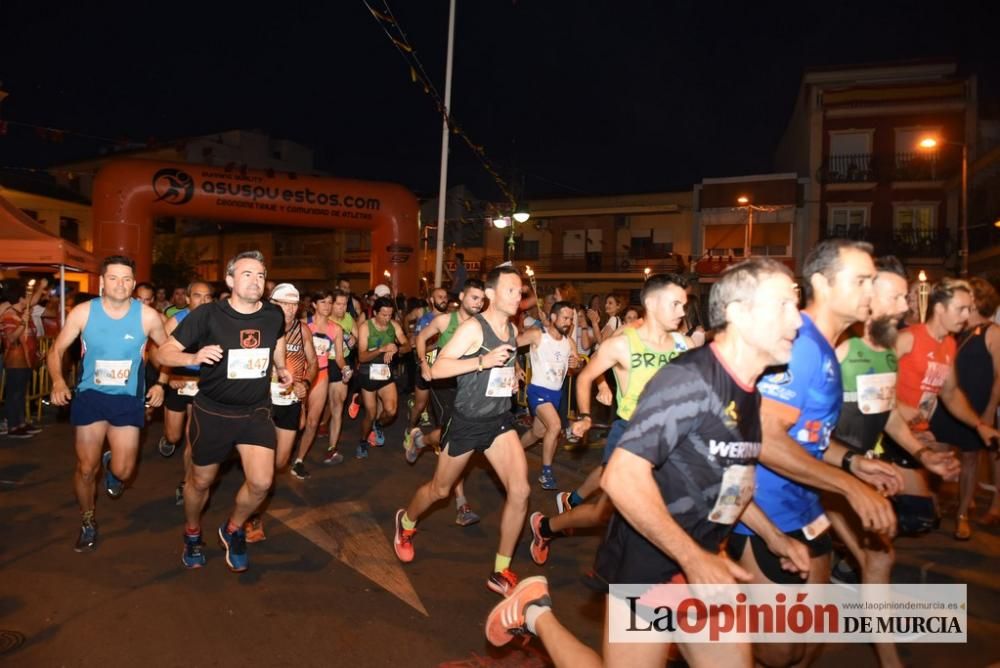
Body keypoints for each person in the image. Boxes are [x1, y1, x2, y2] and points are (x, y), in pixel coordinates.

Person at [485, 258, 811, 666]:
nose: (797, 321)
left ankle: (548, 538)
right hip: (652, 558)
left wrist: (772, 536)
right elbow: (621, 477)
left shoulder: (747, 390)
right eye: (782, 305)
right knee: (604, 510)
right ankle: (535, 611)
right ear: (739, 313)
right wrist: (691, 557)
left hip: (704, 564)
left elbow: (731, 481)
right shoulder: (689, 379)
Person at [726, 239, 902, 668]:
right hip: (762, 512)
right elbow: (764, 437)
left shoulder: (824, 348)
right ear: (821, 282)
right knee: (778, 651)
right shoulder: (801, 345)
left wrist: (851, 461)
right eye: (861, 280)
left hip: (808, 510)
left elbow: (806, 436)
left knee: (804, 644)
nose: (870, 291)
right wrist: (851, 488)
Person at [828, 256, 960, 668]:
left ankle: (887, 657)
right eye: (897, 296)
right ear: (869, 299)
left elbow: (884, 413)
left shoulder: (884, 353)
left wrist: (923, 453)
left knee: (879, 558)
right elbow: (803, 428)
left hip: (858, 468)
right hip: (824, 474)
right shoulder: (841, 350)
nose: (907, 305)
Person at [531, 274, 694, 559]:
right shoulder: (623, 343)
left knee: (664, 509)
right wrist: (584, 415)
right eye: (676, 304)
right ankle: (547, 527)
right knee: (605, 513)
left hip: (671, 439)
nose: (682, 311)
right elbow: (586, 377)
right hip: (631, 434)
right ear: (653, 303)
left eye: (684, 304)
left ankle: (564, 516)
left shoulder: (684, 344)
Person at [393, 266, 530, 596]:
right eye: (512, 290)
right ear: (493, 294)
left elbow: (503, 364)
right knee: (440, 491)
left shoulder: (511, 329)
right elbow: (439, 367)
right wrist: (483, 363)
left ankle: (501, 570)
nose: (518, 296)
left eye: (521, 291)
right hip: (467, 421)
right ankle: (406, 522)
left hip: (498, 420)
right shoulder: (473, 328)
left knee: (521, 491)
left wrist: (512, 377)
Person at [155, 250, 293, 572]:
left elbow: (278, 341)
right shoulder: (208, 315)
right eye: (247, 274)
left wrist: (282, 367)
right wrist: (194, 357)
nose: (255, 281)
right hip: (213, 412)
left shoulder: (273, 314)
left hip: (255, 411)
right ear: (230, 280)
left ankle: (232, 530)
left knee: (261, 483)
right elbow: (164, 351)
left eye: (260, 275)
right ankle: (192, 533)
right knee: (201, 482)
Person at [46, 256, 169, 552]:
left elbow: (167, 352)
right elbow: (57, 349)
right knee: (86, 469)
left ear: (133, 282)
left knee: (125, 471)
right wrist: (58, 381)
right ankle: (87, 519)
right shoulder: (84, 312)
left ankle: (112, 467)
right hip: (91, 396)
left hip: (128, 399)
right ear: (102, 281)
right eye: (113, 278)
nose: (121, 284)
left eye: (127, 279)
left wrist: (162, 383)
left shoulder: (148, 316)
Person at [894, 277, 1000, 540]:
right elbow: (871, 380)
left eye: (969, 309)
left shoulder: (948, 344)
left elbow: (951, 394)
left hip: (916, 434)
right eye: (961, 309)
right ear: (939, 309)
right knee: (907, 514)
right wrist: (901, 409)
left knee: (914, 516)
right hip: (889, 433)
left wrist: (980, 425)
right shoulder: (908, 339)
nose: (967, 316)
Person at [407, 280, 486, 526]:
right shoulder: (445, 321)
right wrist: (423, 363)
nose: (479, 303)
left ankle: (420, 439)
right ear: (462, 296)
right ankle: (462, 504)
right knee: (455, 439)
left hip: (469, 387)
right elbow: (421, 338)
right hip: (444, 386)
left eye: (482, 299)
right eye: (474, 297)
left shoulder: (482, 324)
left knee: (452, 438)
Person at [245, 283, 317, 542]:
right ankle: (254, 516)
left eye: (293, 304)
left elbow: (313, 364)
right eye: (283, 303)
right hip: (261, 402)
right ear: (272, 303)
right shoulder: (259, 328)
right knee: (260, 464)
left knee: (280, 462)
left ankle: (256, 489)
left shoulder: (303, 331)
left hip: (288, 401)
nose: (288, 309)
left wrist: (305, 384)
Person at [155, 281, 214, 506]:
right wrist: (168, 378)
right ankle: (168, 437)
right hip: (178, 379)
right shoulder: (176, 321)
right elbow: (158, 353)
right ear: (188, 299)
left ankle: (185, 483)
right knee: (175, 436)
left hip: (203, 384)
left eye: (207, 297)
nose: (203, 301)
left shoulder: (216, 322)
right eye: (197, 296)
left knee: (193, 439)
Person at [518, 301, 579, 490]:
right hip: (537, 390)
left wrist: (576, 365)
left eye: (570, 318)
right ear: (553, 317)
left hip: (556, 394)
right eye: (564, 317)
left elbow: (574, 368)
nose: (568, 322)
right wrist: (515, 367)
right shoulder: (538, 335)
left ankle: (513, 452)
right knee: (555, 426)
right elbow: (510, 346)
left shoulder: (569, 342)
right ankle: (546, 472)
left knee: (538, 433)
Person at [291, 290, 346, 477]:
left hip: (321, 375)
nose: (327, 306)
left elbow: (339, 357)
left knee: (313, 423)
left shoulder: (336, 329)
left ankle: (299, 460)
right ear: (314, 305)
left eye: (330, 302)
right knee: (299, 422)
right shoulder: (303, 325)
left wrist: (345, 369)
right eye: (323, 302)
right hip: (299, 375)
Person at [356, 295, 409, 458]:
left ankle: (378, 425)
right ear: (375, 313)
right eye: (384, 314)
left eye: (390, 315)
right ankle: (363, 441)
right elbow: (362, 357)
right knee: (370, 415)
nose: (387, 318)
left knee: (391, 411)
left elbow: (407, 346)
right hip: (368, 373)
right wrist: (381, 349)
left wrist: (396, 349)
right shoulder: (365, 327)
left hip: (385, 373)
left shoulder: (394, 325)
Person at [1, 279, 46, 438]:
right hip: (15, 360)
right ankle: (13, 426)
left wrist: (37, 352)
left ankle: (21, 423)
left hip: (27, 359)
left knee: (21, 393)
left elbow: (31, 336)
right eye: (26, 296)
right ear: (20, 299)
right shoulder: (10, 314)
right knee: (14, 394)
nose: (29, 299)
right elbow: (11, 338)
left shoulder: (23, 312)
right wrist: (22, 323)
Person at [407, 288, 448, 435]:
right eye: (439, 296)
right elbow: (419, 345)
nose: (443, 299)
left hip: (445, 368)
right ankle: (410, 429)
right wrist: (438, 346)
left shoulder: (451, 318)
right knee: (420, 404)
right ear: (432, 300)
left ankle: (441, 438)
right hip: (426, 364)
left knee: (443, 407)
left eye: (445, 297)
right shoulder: (426, 319)